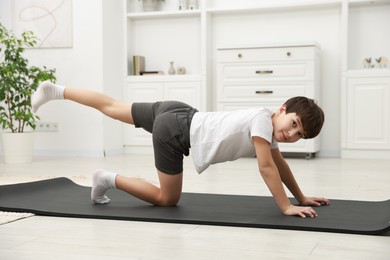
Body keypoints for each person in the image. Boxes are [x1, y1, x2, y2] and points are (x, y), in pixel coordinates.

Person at [32, 81, 330, 218]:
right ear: (282, 109)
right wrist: (286, 206)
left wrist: (301, 196)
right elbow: (267, 168)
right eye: (293, 123)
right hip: (175, 131)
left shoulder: (266, 121)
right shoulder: (263, 124)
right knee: (167, 199)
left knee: (112, 106)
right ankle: (106, 178)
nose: (291, 134)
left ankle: (55, 90)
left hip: (180, 112)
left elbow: (280, 165)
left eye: (299, 135)